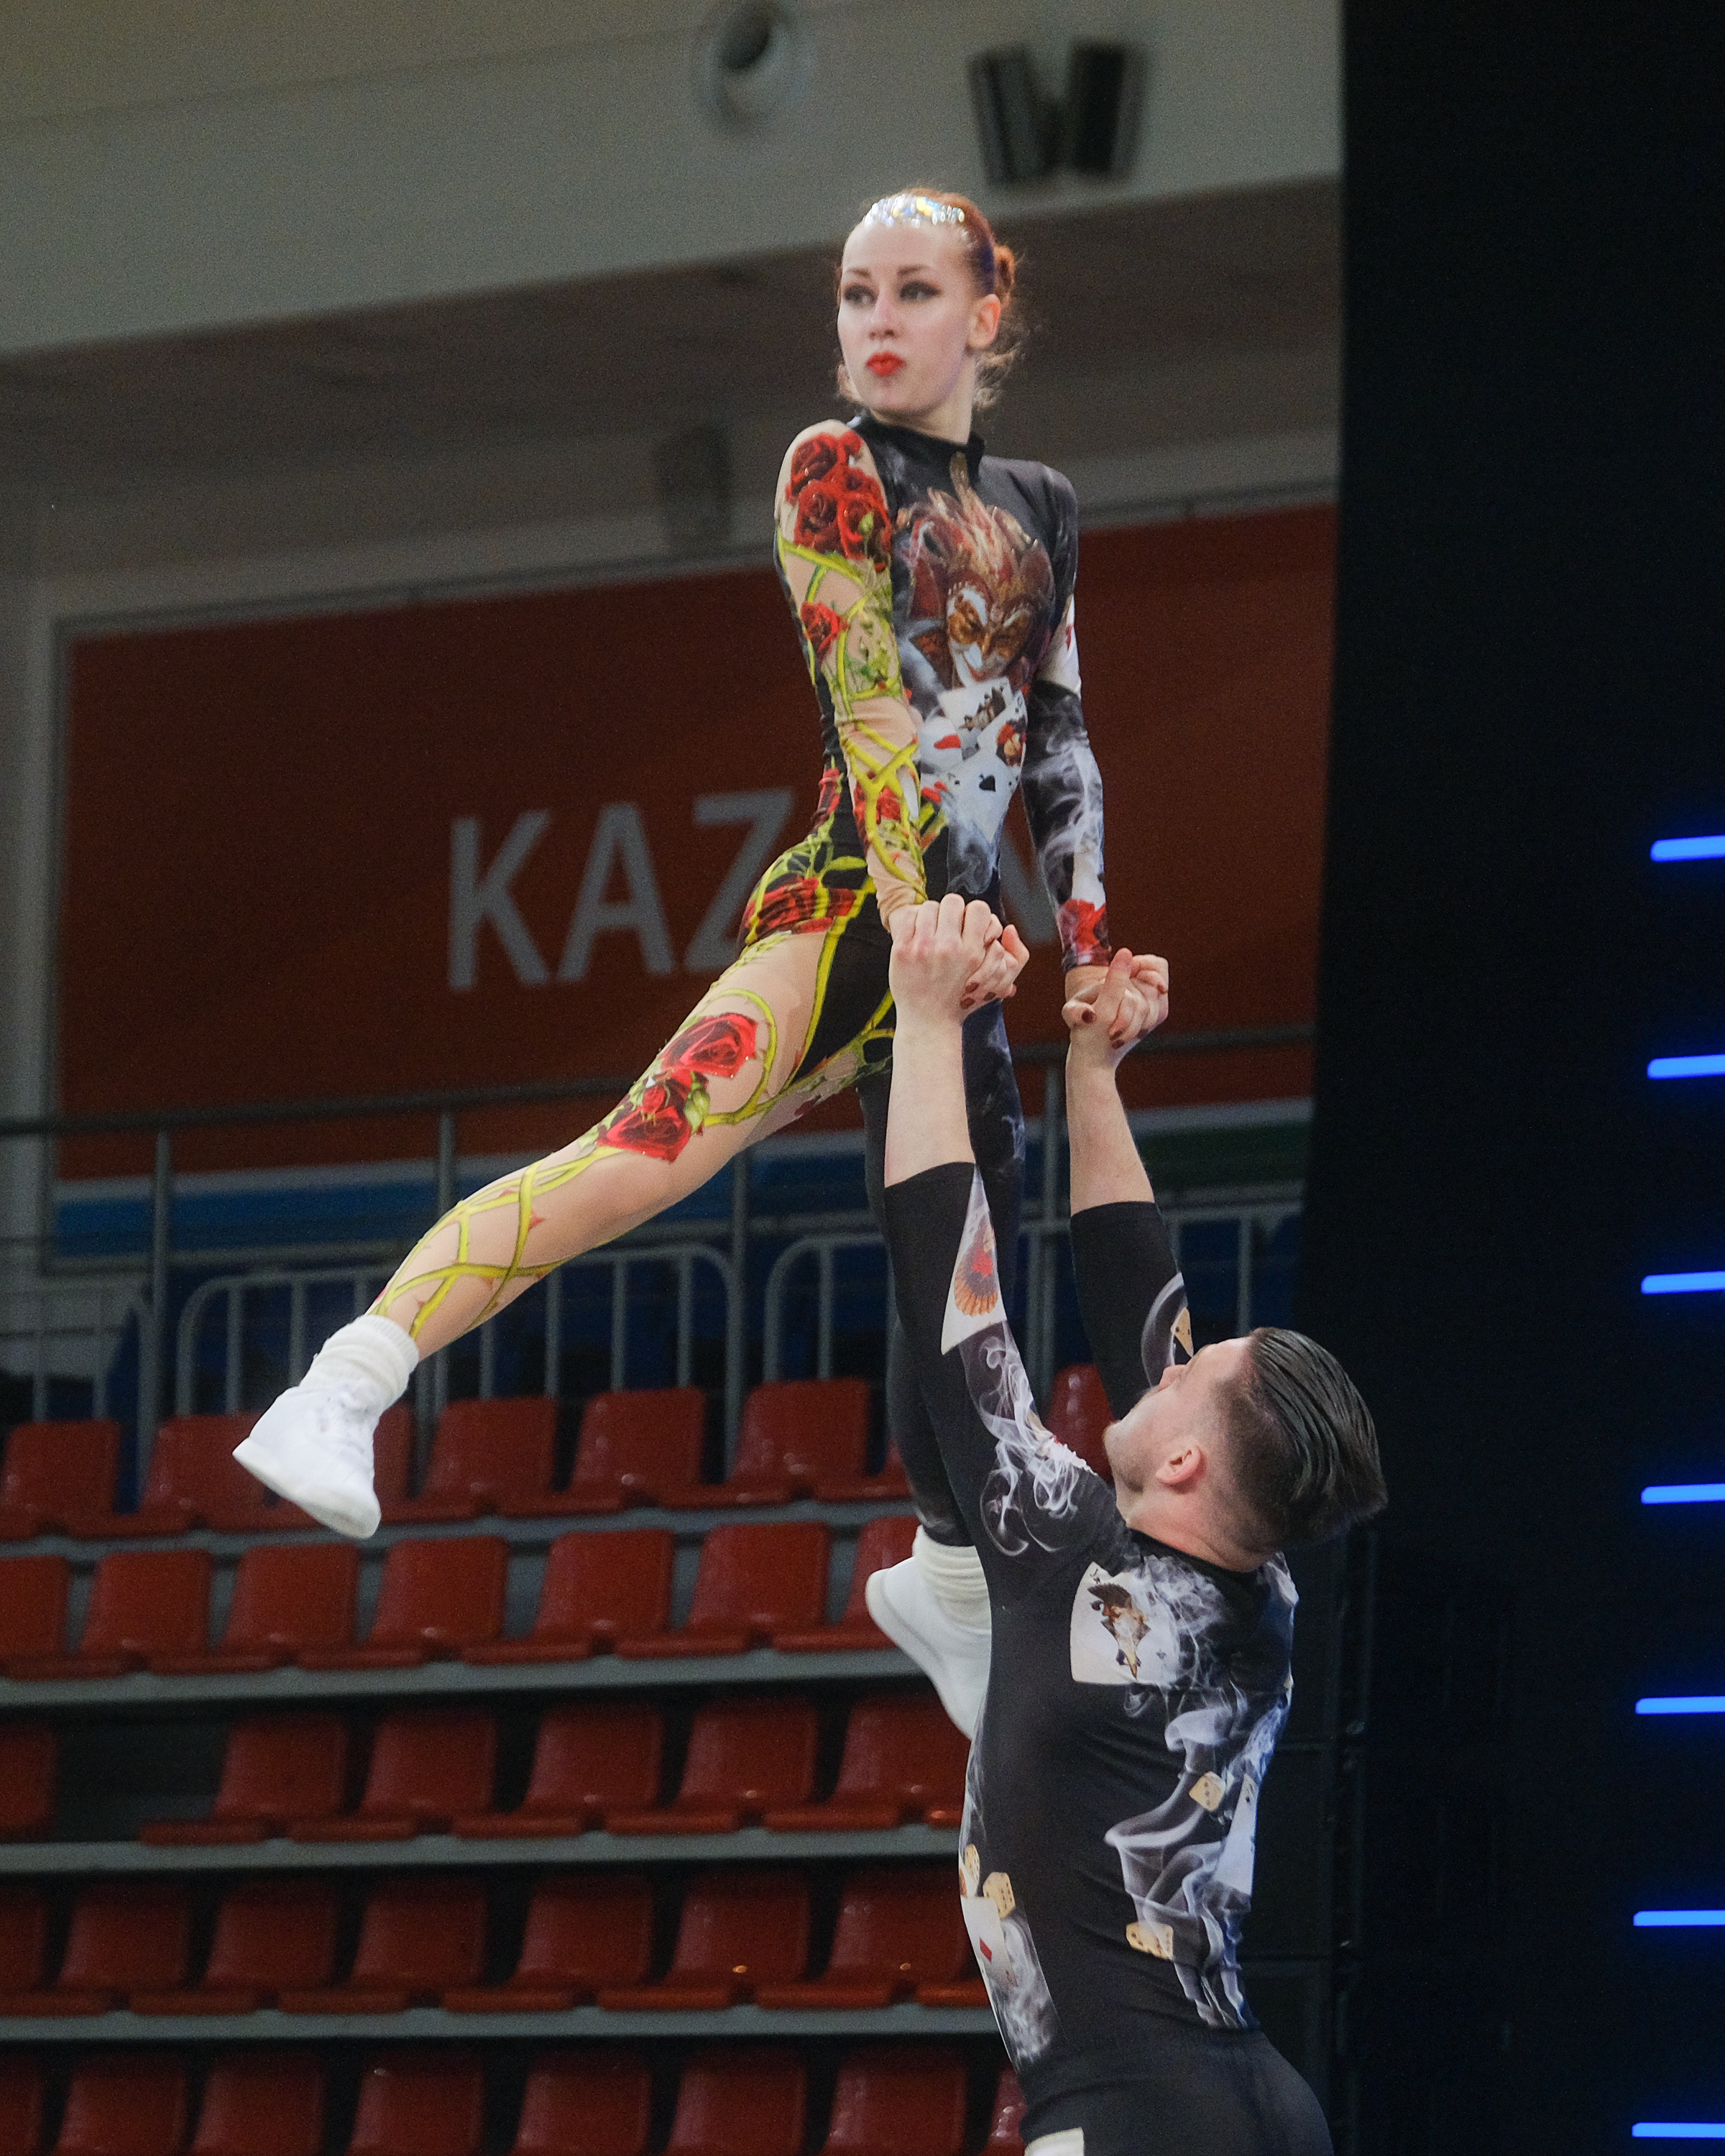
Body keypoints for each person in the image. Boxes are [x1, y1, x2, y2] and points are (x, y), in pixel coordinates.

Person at [234, 185, 1123, 1538]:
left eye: (915, 292)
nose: (877, 320)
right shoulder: (835, 468)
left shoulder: (1040, 505)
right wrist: (921, 931)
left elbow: (1056, 737)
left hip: (961, 940)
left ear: (985, 312)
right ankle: (344, 1384)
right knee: (643, 1158)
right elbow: (874, 714)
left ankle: (950, 1586)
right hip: (863, 911)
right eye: (856, 293)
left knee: (965, 1282)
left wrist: (1089, 944)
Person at [878, 894, 1386, 2156]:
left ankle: (946, 1604)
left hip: (1136, 2123)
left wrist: (930, 1022)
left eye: (1187, 1373)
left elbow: (955, 1290)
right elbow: (1136, 1291)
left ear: (1186, 1456)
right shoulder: (1254, 1591)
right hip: (1256, 2110)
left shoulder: (1070, 1551)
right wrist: (1093, 1072)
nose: (1166, 1359)